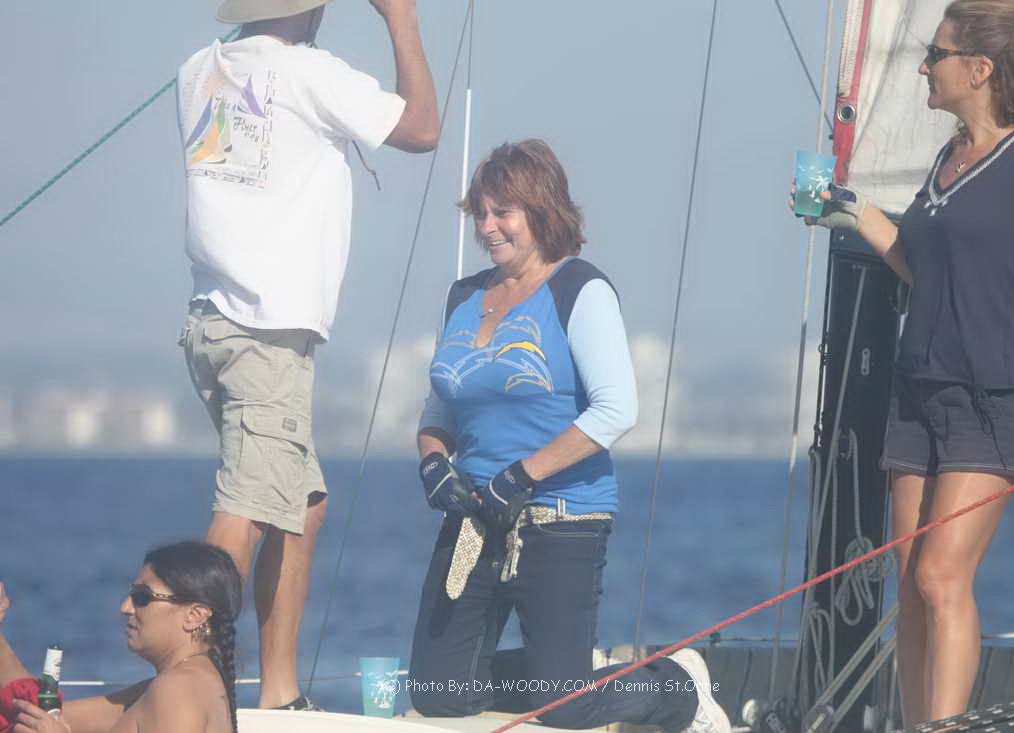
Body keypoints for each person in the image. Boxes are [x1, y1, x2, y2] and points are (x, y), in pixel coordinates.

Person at [799, 0, 1014, 724]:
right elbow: (918, 265)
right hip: (920, 389)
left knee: (941, 576)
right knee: (909, 580)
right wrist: (850, 209)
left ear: (980, 68)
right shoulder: (947, 158)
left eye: (934, 54)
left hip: (993, 396)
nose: (923, 67)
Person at [406, 139, 731, 733]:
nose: (487, 226)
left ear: (540, 210)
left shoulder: (581, 290)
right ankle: (577, 671)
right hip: (475, 520)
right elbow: (439, 407)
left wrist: (521, 475)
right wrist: (432, 463)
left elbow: (616, 411)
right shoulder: (463, 296)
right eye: (480, 212)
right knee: (437, 694)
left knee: (565, 708)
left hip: (560, 516)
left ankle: (675, 685)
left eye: (503, 212)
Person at [175, 0, 439, 710]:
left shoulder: (197, 70)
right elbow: (422, 128)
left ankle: (280, 694)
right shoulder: (311, 74)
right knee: (247, 508)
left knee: (301, 506)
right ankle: (186, 689)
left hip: (211, 326)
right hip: (267, 334)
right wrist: (401, 18)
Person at [1, 541, 242, 733]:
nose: (125, 607)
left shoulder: (175, 690)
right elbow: (38, 714)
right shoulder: (187, 682)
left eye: (142, 597)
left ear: (194, 615)